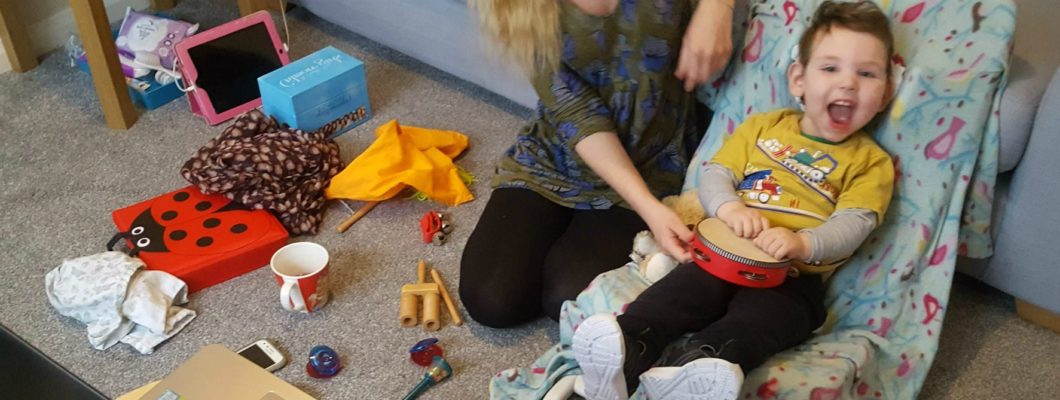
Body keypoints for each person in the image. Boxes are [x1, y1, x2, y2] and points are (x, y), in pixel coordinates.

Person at [570, 2, 898, 399]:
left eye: (866, 74)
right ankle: (627, 351)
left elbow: (854, 223)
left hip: (791, 277)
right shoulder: (765, 127)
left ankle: (696, 371)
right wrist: (730, 208)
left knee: (763, 321)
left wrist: (802, 243)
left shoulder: (871, 162)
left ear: (885, 94)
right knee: (678, 293)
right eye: (830, 68)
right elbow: (716, 174)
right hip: (722, 258)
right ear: (799, 79)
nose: (848, 84)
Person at [460, 0, 740, 327]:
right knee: (492, 301)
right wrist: (648, 209)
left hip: (654, 160)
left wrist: (717, 7)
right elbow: (575, 112)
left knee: (566, 294)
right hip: (557, 152)